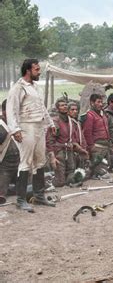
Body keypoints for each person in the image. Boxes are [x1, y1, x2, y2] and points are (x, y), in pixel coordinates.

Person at [6, 58, 56, 211]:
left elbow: (42, 107)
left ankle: (39, 196)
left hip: (39, 126)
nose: (38, 72)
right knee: (25, 162)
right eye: (36, 69)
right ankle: (21, 200)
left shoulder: (35, 87)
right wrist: (15, 130)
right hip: (26, 127)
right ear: (28, 70)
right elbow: (11, 110)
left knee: (40, 161)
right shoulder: (18, 88)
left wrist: (51, 123)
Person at [47, 98, 79, 187]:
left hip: (69, 151)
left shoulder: (70, 122)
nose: (64, 107)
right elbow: (50, 141)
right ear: (57, 109)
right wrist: (52, 156)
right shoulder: (55, 122)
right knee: (60, 181)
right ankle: (47, 182)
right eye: (62, 105)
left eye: (65, 105)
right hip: (59, 152)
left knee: (71, 176)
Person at [82, 93, 111, 179]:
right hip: (97, 146)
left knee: (106, 167)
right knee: (102, 172)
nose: (100, 104)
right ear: (92, 103)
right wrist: (91, 146)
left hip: (105, 145)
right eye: (98, 102)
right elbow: (87, 132)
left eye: (101, 102)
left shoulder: (103, 114)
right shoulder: (90, 115)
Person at [0, 99, 19, 205]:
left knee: (29, 188)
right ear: (4, 112)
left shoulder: (17, 123)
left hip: (19, 163)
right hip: (4, 166)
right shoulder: (1, 125)